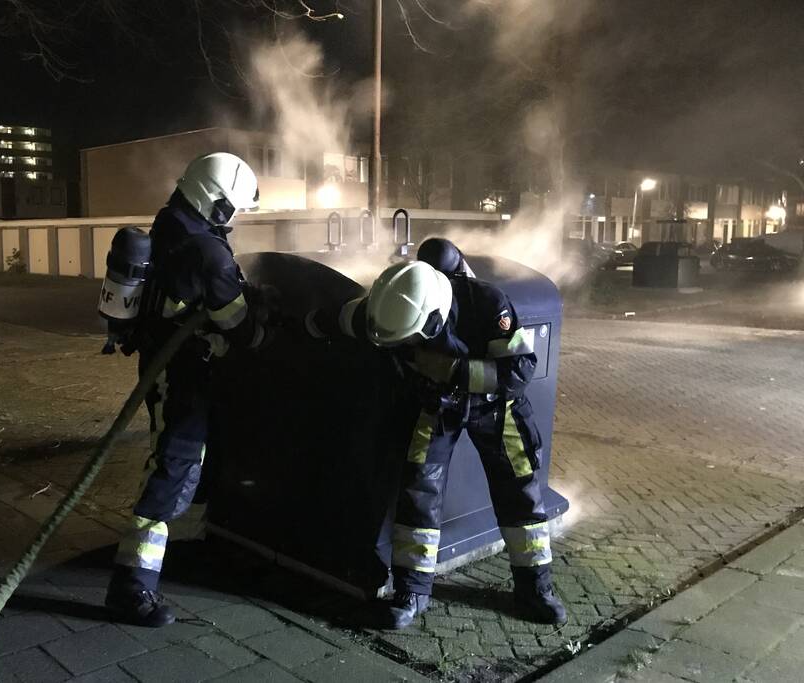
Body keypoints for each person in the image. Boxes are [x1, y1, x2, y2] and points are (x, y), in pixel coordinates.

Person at [304, 238, 565, 629]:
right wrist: (308, 320)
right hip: (438, 406)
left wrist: (455, 371)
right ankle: (411, 593)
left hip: (497, 408)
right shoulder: (389, 306)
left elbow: (518, 371)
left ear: (432, 321)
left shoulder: (489, 305)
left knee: (520, 492)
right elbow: (339, 320)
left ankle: (535, 589)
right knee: (418, 492)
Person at [105, 152, 270, 627]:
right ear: (217, 204)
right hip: (181, 375)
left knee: (194, 460)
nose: (235, 219)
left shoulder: (170, 222)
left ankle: (194, 545)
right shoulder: (209, 252)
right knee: (173, 466)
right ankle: (131, 586)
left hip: (166, 364)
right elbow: (241, 330)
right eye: (233, 210)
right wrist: (262, 316)